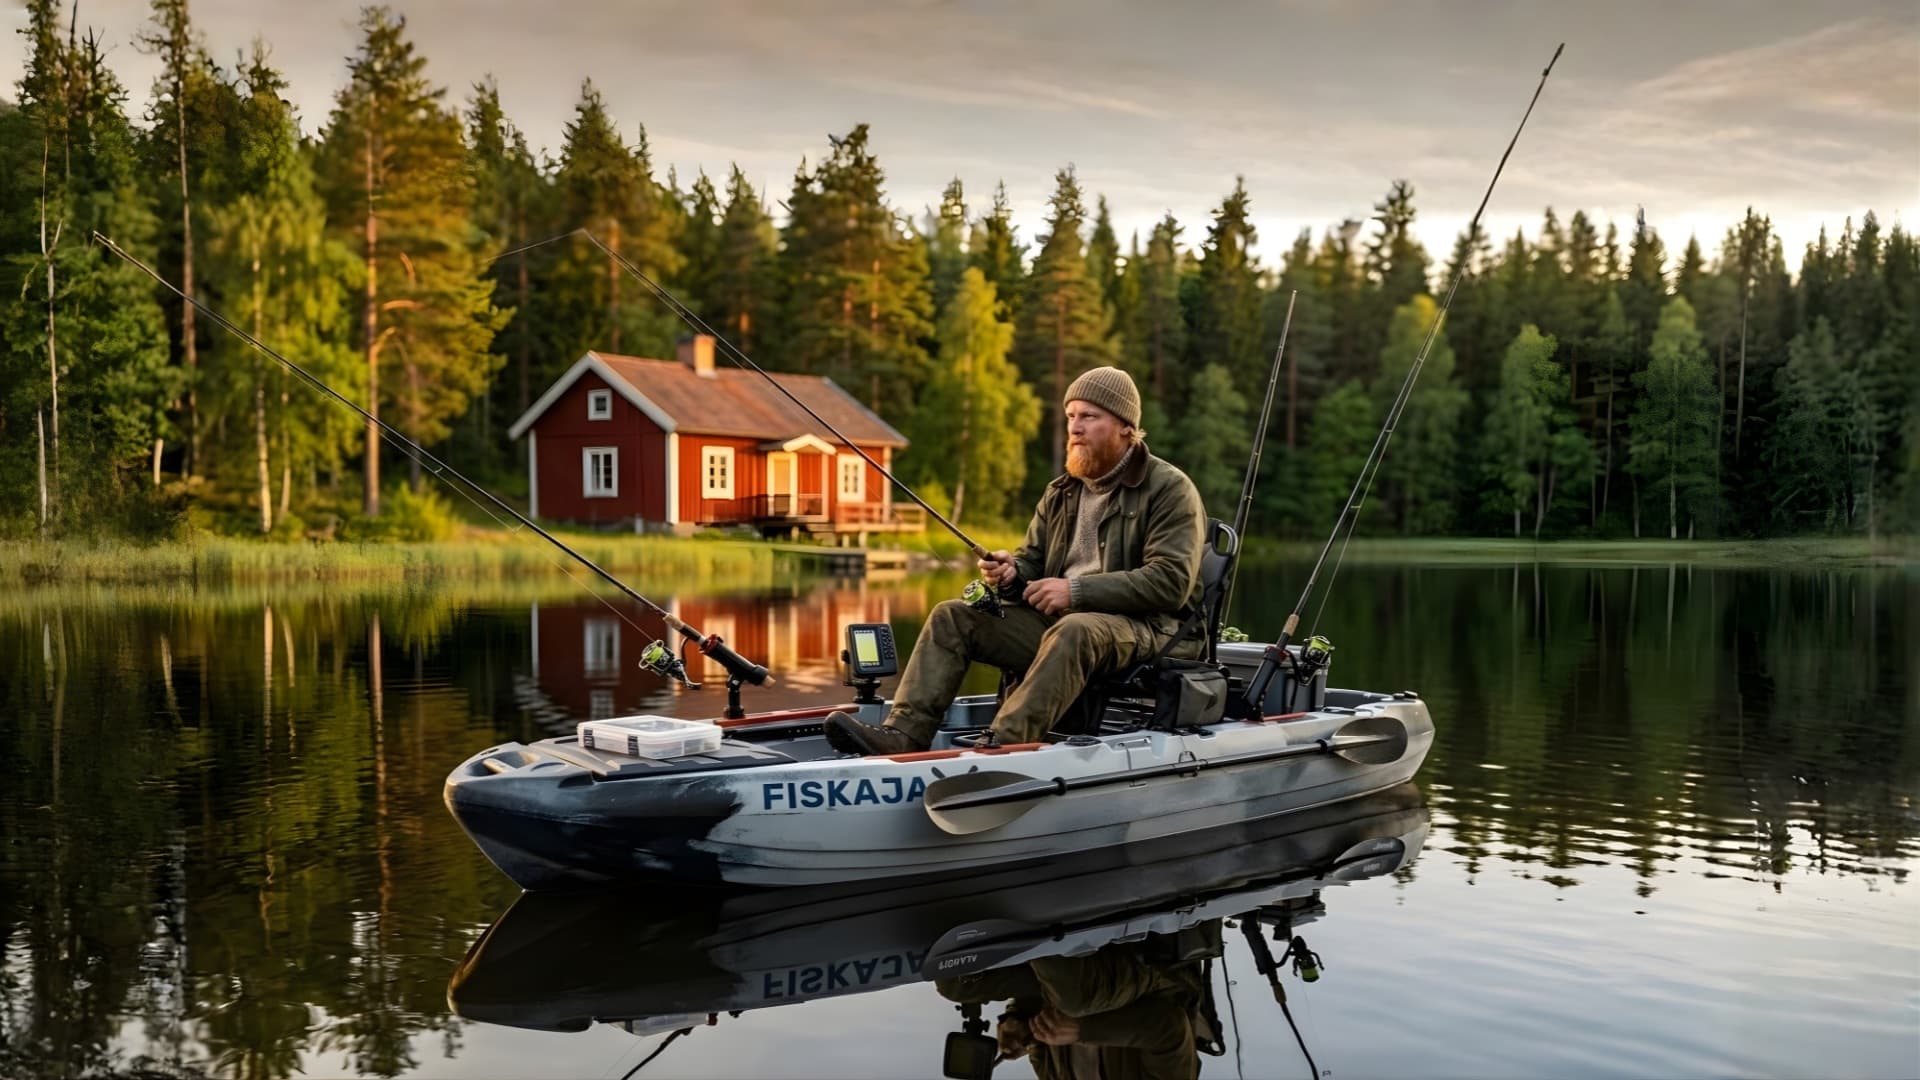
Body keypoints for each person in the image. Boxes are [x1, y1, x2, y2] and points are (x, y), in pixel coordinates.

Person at [826, 365, 1206, 755]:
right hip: (1066, 626)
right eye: (1071, 416)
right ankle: (903, 735)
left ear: (1126, 427)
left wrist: (1074, 590)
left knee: (1074, 629)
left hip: (1150, 629)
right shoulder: (1061, 491)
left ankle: (1002, 748)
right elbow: (1032, 562)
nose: (1075, 428)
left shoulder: (1169, 488)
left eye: (1089, 417)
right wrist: (1010, 573)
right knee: (951, 616)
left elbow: (1170, 582)